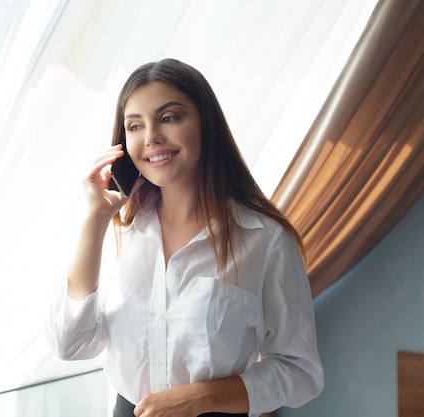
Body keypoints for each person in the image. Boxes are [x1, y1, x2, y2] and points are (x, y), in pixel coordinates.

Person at [45, 58, 323, 417]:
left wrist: (205, 397)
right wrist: (95, 219)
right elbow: (69, 343)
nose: (151, 137)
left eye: (169, 117)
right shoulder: (116, 231)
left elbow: (301, 372)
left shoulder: (265, 240)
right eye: (134, 126)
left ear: (206, 124)